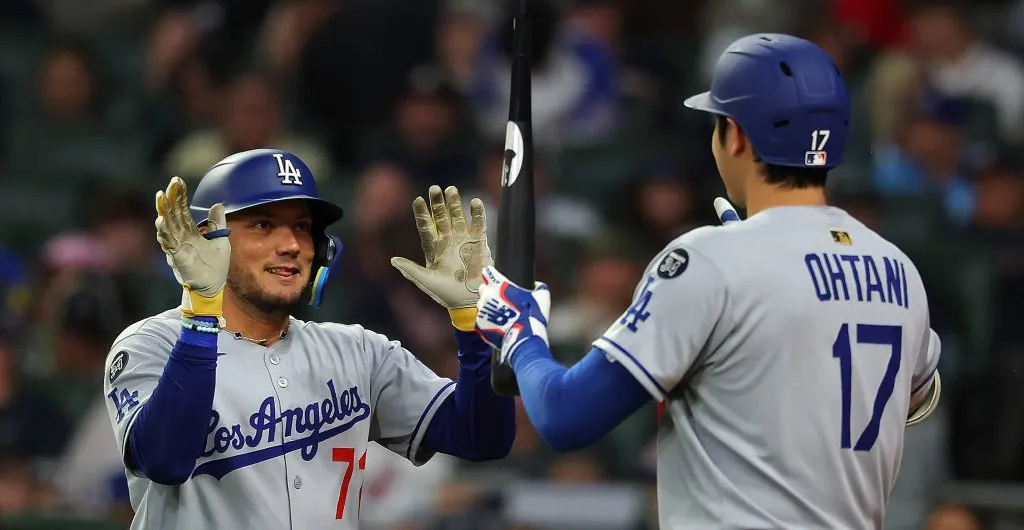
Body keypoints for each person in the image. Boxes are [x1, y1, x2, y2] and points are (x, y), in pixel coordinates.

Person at [474, 34, 942, 529]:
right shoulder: (897, 268)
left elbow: (566, 417)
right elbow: (913, 398)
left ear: (735, 135)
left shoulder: (711, 260)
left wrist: (520, 337)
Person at [101, 149, 515, 529]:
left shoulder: (359, 351)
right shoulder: (150, 344)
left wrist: (474, 324)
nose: (292, 245)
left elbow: (483, 438)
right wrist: (202, 316)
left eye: (302, 227)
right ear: (207, 238)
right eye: (264, 225)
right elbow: (165, 460)